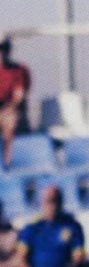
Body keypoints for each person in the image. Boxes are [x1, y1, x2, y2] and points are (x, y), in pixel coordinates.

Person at [0, 37, 31, 169]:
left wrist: (8, 109)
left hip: (11, 112)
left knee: (10, 120)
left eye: (3, 49)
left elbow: (19, 96)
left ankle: (8, 164)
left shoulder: (20, 70)